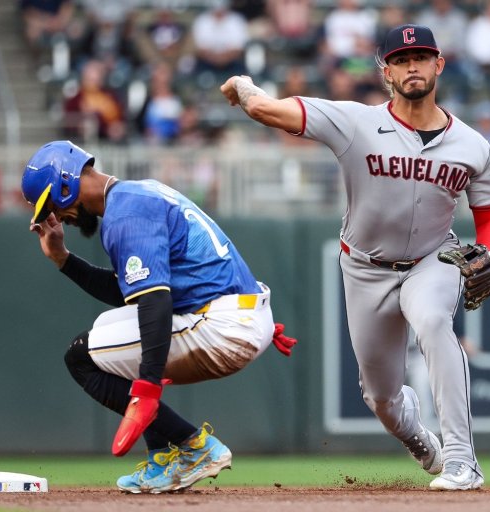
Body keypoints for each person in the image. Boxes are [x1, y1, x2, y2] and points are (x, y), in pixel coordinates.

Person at [221, 23, 490, 491]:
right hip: (365, 268)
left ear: (438, 64)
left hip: (433, 258)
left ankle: (462, 460)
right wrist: (244, 86)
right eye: (400, 60)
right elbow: (267, 110)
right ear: (386, 72)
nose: (411, 66)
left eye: (420, 57)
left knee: (433, 322)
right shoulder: (354, 122)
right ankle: (418, 437)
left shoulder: (472, 145)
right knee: (380, 397)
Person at [21, 140, 296, 494]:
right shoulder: (138, 194)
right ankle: (163, 457)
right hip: (239, 313)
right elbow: (132, 292)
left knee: (80, 357)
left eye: (52, 207)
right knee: (106, 328)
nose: (58, 218)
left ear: (64, 185)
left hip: (223, 325)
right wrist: (63, 260)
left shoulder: (125, 215)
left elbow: (154, 301)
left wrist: (148, 388)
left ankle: (194, 447)